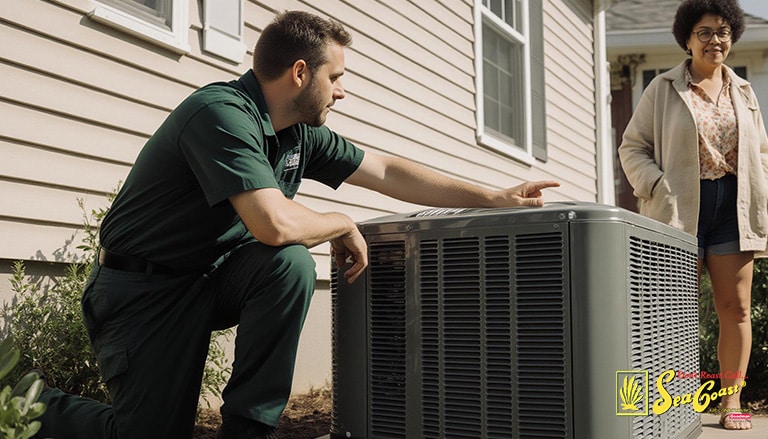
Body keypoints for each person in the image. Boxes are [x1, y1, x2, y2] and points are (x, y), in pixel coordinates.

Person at [34, 10, 559, 439]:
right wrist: (339, 221)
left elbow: (384, 170)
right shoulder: (220, 115)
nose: (341, 92)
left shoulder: (297, 133)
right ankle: (20, 400)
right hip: (142, 292)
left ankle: (249, 430)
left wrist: (493, 196)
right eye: (336, 77)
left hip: (205, 279)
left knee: (288, 266)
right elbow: (272, 223)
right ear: (301, 73)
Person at [619, 0, 768, 431]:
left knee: (735, 309)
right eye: (704, 32)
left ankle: (731, 401)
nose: (715, 40)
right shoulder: (662, 89)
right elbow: (633, 148)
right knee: (668, 311)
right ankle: (662, 403)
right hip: (680, 207)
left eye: (722, 31)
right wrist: (657, 187)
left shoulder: (744, 91)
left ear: (732, 37)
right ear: (687, 38)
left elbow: (759, 151)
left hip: (732, 209)